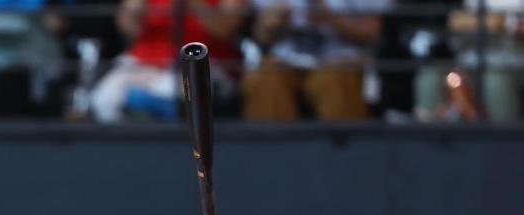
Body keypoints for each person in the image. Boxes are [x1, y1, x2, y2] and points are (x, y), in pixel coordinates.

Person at [89, 0, 246, 123]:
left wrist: (192, 4)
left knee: (167, 93)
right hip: (144, 62)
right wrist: (136, 8)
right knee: (103, 98)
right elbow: (128, 27)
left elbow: (226, 28)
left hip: (199, 62)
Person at [242, 0, 391, 121]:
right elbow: (261, 37)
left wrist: (332, 19)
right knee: (265, 79)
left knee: (335, 81)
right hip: (284, 60)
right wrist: (272, 24)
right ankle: (271, 152)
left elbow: (372, 34)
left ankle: (342, 154)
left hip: (339, 61)